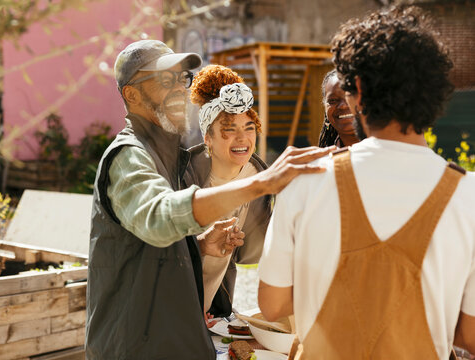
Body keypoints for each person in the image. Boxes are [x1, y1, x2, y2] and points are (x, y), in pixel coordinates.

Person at [85, 40, 333, 359]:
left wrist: (198, 247)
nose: (178, 89)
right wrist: (261, 183)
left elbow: (148, 251)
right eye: (164, 80)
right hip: (133, 349)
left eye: (180, 78)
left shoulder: (167, 157)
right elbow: (159, 218)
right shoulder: (129, 157)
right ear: (131, 95)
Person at [258, 7, 475, 359]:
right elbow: (470, 335)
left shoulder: (305, 181)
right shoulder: (469, 196)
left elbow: (272, 304)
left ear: (356, 91)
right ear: (436, 95)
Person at [183, 64, 272, 318]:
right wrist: (200, 245)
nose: (242, 139)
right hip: (171, 311)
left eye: (249, 128)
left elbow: (249, 254)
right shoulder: (181, 177)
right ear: (207, 137)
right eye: (229, 129)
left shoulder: (257, 180)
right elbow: (158, 255)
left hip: (214, 312)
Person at [318, 69, 359, 147]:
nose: (343, 106)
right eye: (333, 100)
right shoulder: (325, 158)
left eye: (351, 96)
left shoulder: (386, 152)